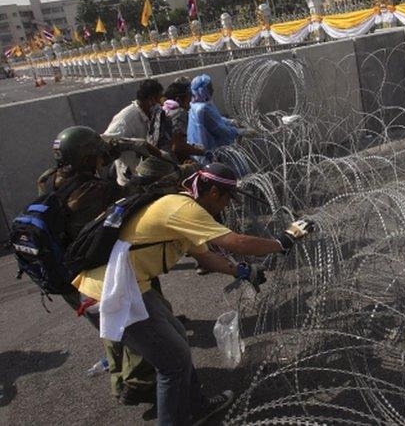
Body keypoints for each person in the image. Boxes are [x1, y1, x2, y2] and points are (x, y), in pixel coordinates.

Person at [72, 162, 314, 425]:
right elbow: (237, 242)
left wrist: (244, 272)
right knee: (172, 364)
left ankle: (197, 408)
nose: (227, 207)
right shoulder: (182, 208)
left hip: (132, 286)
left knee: (176, 340)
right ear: (213, 194)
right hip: (113, 292)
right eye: (227, 200)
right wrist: (283, 241)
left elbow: (206, 258)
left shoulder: (183, 209)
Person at [37, 126, 163, 405]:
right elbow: (128, 200)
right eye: (97, 155)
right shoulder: (93, 190)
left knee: (111, 325)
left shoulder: (49, 180)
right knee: (134, 318)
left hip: (66, 272)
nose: (101, 158)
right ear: (86, 159)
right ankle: (139, 382)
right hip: (96, 269)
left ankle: (119, 382)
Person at [104, 79, 165, 187]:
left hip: (148, 176)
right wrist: (134, 145)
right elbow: (106, 141)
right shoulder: (126, 118)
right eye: (159, 99)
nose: (161, 103)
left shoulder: (149, 114)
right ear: (151, 99)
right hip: (131, 182)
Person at [186, 74, 244, 163]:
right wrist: (238, 132)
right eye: (209, 88)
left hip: (202, 150)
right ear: (203, 91)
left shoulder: (195, 104)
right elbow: (220, 130)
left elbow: (216, 119)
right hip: (211, 153)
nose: (213, 89)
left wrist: (231, 122)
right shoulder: (203, 109)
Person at [161, 78, 206, 164]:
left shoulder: (165, 110)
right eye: (188, 100)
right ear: (178, 100)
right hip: (171, 163)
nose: (190, 103)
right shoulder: (179, 113)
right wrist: (202, 152)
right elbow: (177, 146)